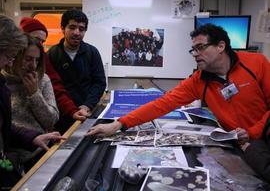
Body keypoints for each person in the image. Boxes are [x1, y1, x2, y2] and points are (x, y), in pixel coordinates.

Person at [87, 24, 270, 146]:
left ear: (220, 46)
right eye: (193, 50)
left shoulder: (257, 63)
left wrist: (252, 133)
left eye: (200, 48)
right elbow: (162, 104)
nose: (195, 54)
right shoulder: (198, 80)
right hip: (238, 144)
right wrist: (119, 124)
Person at [0, 14, 65, 189]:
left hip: (38, 151)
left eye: (37, 60)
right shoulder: (4, 80)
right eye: (28, 59)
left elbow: (51, 120)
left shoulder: (42, 80)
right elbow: (6, 126)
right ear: (15, 56)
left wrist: (34, 93)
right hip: (10, 156)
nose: (32, 65)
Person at [20, 17, 89, 133]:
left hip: (37, 139)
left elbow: (56, 88)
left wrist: (72, 110)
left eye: (42, 42)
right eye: (36, 39)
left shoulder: (44, 72)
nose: (39, 46)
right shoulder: (5, 74)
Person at [47, 9, 106, 117]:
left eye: (81, 29)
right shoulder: (52, 54)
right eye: (72, 27)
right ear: (63, 28)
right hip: (61, 114)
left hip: (87, 112)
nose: (76, 32)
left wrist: (87, 105)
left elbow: (99, 83)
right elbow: (52, 87)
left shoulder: (92, 52)